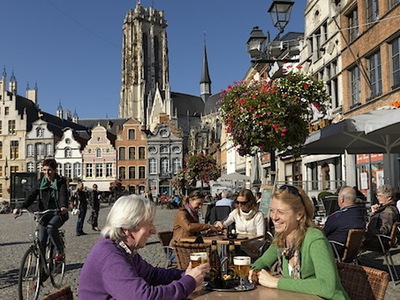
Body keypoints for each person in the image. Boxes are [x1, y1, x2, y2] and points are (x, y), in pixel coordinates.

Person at [78, 195, 209, 299]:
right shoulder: (111, 256)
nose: (153, 230)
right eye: (149, 224)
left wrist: (184, 274)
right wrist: (189, 282)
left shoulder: (123, 248)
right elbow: (143, 297)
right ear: (127, 228)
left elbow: (152, 275)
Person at [249, 185, 349, 300]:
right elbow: (264, 261)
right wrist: (254, 270)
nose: (274, 217)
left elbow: (327, 286)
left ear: (299, 214)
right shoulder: (282, 237)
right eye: (272, 210)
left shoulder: (314, 238)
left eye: (281, 212)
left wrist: (276, 282)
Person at [13, 158, 69, 261]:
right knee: (41, 241)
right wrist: (20, 207)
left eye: (49, 170)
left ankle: (59, 250)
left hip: (58, 213)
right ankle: (42, 271)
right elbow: (31, 196)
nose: (47, 173)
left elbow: (63, 195)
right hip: (44, 214)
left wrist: (63, 206)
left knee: (51, 228)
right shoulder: (41, 182)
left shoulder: (61, 182)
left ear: (55, 170)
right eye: (44, 170)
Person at [323, 186, 366, 258]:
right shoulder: (360, 214)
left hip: (335, 250)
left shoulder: (338, 216)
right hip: (351, 251)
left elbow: (324, 232)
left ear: (341, 199)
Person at [363, 184, 400, 251]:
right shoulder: (385, 209)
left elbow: (384, 230)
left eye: (380, 196)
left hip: (379, 241)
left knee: (353, 242)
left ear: (389, 197)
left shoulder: (389, 211)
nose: (378, 197)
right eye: (377, 195)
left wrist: (367, 231)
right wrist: (374, 213)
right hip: (379, 240)